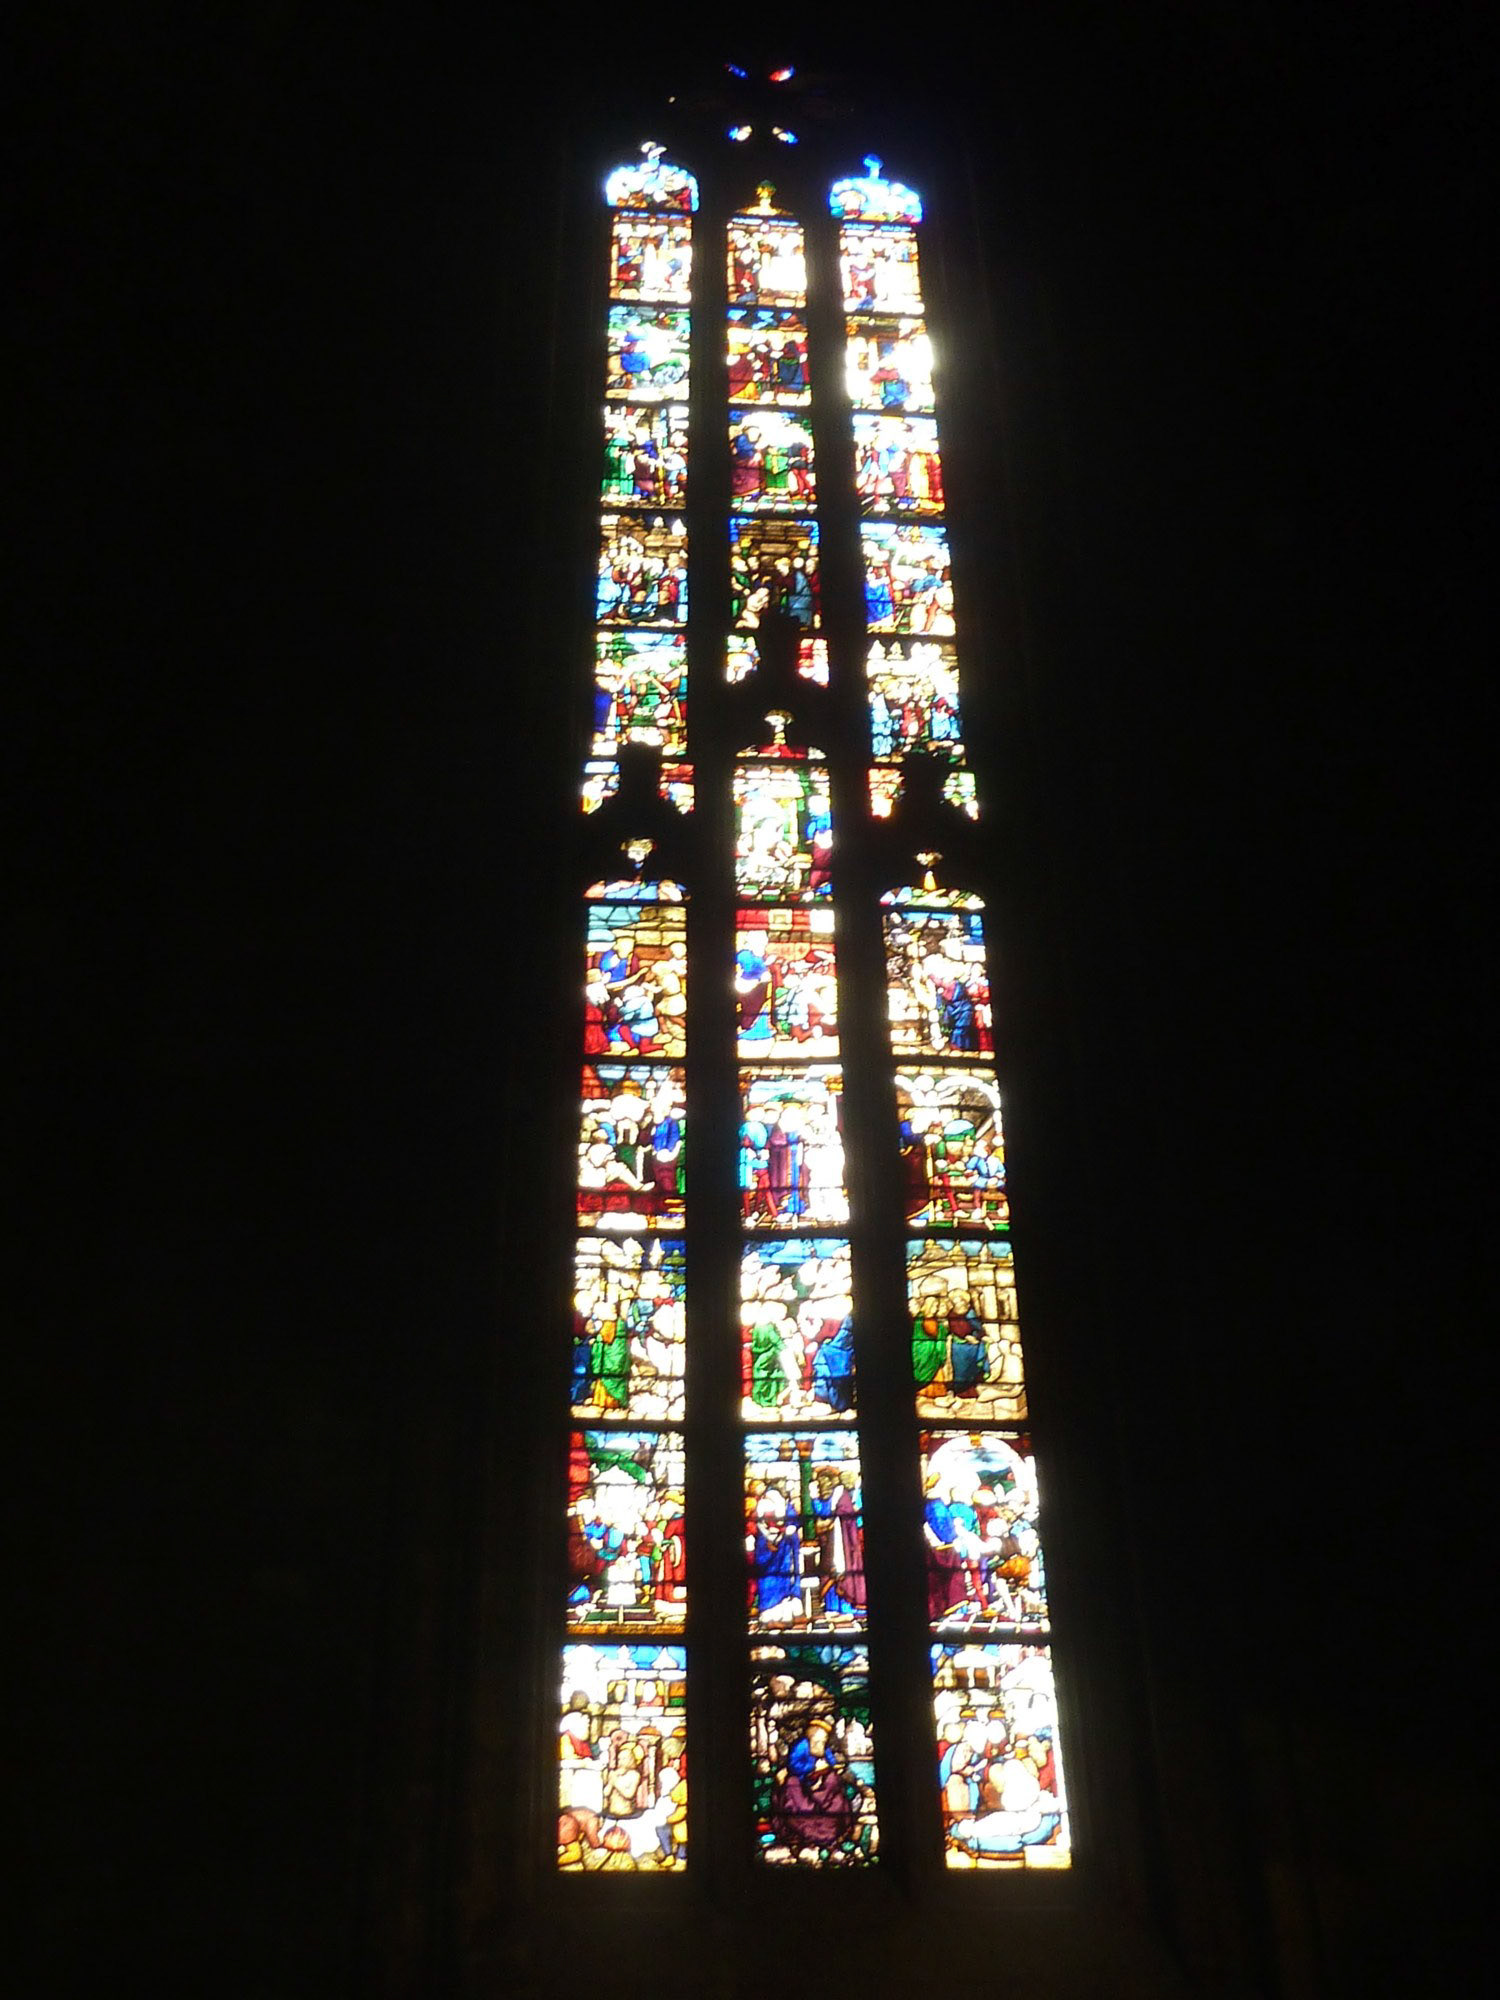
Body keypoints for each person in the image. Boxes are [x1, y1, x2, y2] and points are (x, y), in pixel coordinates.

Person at [768, 1718, 856, 1856]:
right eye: (818, 1740)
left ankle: (830, 1821)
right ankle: (808, 1821)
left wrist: (833, 1766)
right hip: (801, 1781)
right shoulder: (801, 1746)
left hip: (820, 1781)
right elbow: (793, 1765)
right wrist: (813, 1767)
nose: (821, 1743)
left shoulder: (823, 1747)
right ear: (811, 1736)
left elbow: (830, 1760)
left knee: (833, 1779)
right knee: (791, 1783)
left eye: (824, 1740)